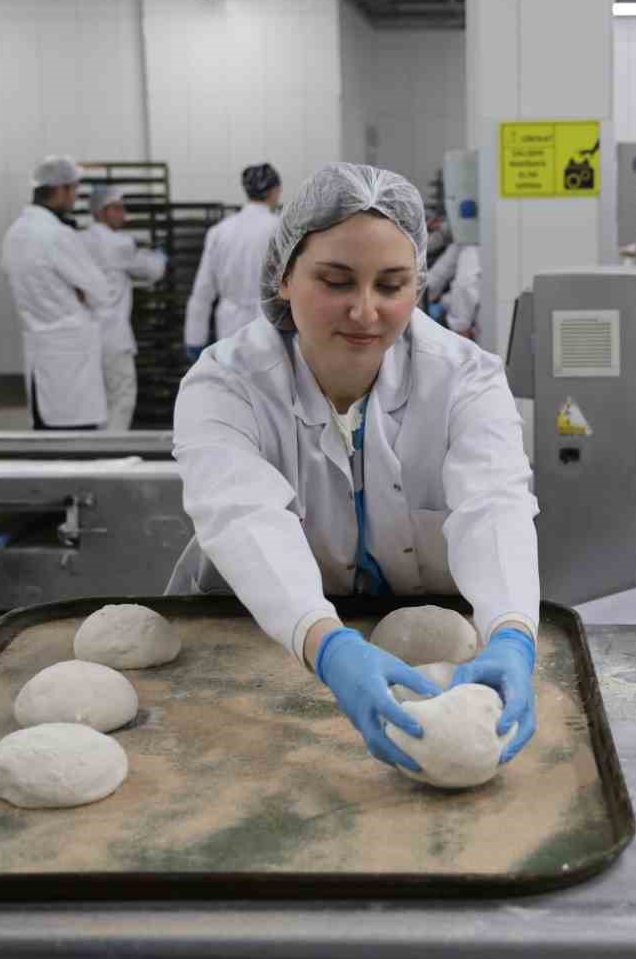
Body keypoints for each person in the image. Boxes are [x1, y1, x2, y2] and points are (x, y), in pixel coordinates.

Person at [167, 163, 540, 773]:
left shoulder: (465, 378)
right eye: (336, 282)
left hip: (425, 647)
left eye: (392, 286)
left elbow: (493, 504)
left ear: (418, 285)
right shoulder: (226, 383)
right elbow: (242, 515)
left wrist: (512, 633)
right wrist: (328, 644)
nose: (365, 313)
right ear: (283, 277)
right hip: (254, 635)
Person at [1, 155, 114, 430]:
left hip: (40, 350)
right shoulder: (56, 235)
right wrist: (81, 296)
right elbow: (100, 290)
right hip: (72, 352)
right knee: (76, 438)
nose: (75, 197)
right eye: (74, 190)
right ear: (60, 189)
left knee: (47, 436)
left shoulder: (15, 233)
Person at [78, 184, 168, 430]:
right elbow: (151, 271)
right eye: (117, 209)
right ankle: (111, 452)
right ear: (101, 211)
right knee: (122, 395)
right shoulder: (118, 243)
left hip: (84, 335)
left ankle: (95, 450)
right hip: (113, 334)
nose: (124, 215)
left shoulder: (79, 240)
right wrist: (159, 257)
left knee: (96, 399)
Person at [184, 163, 281, 363]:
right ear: (274, 190)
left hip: (229, 326)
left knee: (231, 387)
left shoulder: (220, 231)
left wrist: (194, 337)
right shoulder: (279, 228)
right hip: (268, 326)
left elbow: (203, 291)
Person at [424, 238, 481, 341]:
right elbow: (440, 272)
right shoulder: (465, 239)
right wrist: (421, 295)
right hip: (455, 315)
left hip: (467, 323)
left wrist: (460, 327)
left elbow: (464, 285)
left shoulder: (474, 246)